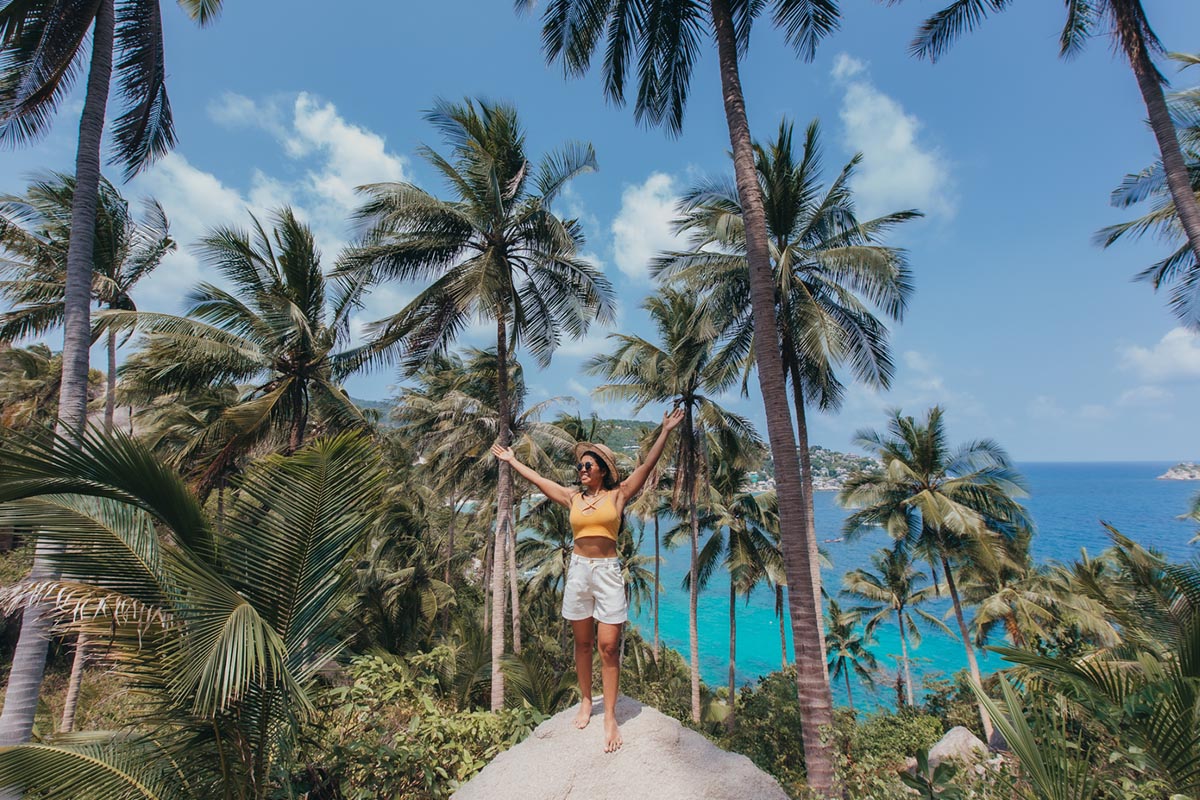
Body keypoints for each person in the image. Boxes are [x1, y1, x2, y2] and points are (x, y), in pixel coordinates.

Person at [490, 407, 684, 753]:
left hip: (608, 574)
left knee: (608, 646)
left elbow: (646, 467)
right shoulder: (572, 498)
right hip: (578, 571)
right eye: (579, 466)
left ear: (602, 471)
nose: (581, 470)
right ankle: (585, 700)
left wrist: (665, 430)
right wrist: (511, 460)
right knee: (581, 644)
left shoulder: (618, 495)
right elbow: (539, 480)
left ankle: (609, 715)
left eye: (587, 466)